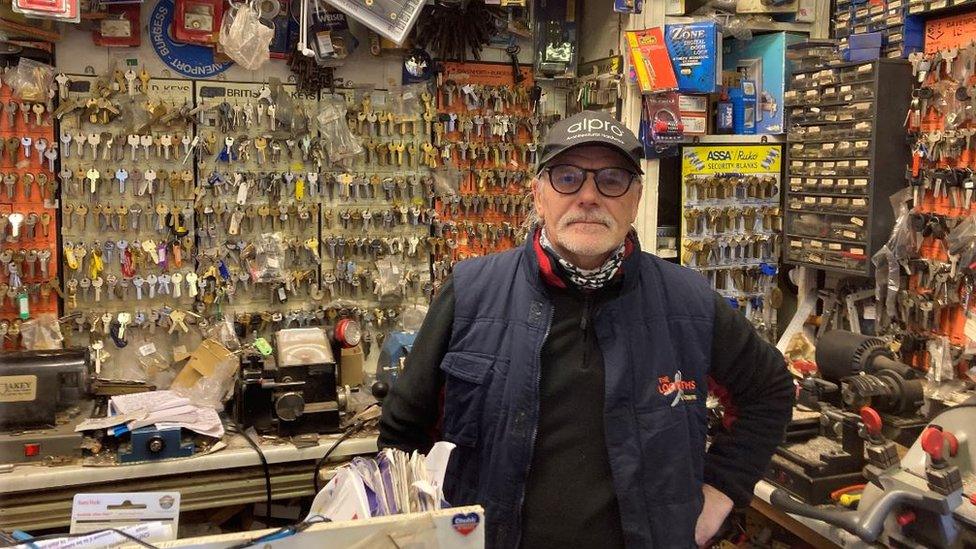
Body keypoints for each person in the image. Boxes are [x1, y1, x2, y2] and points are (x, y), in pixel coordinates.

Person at [378, 110, 794, 548]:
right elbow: (403, 431)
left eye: (612, 180)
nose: (589, 196)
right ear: (539, 195)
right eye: (567, 177)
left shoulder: (688, 302)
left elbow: (770, 392)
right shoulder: (470, 293)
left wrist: (722, 490)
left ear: (634, 199)